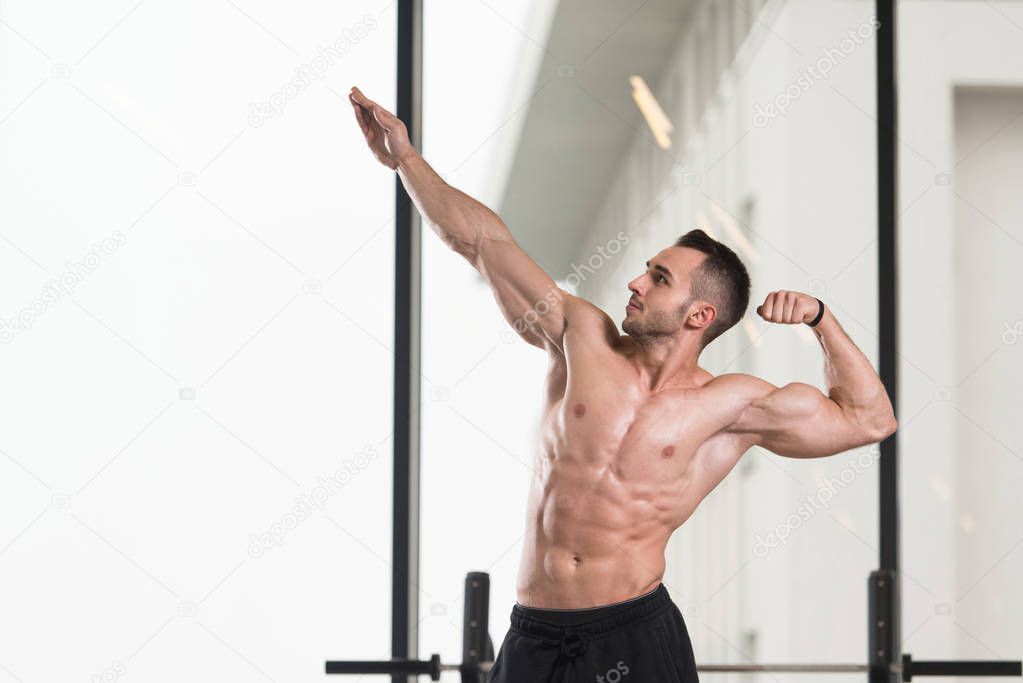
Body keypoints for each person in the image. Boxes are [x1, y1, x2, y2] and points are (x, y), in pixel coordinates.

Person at [348, 86, 897, 683]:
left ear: (698, 316)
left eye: (659, 278)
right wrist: (406, 160)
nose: (635, 281)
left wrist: (822, 320)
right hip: (533, 631)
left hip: (632, 634)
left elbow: (869, 420)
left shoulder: (731, 404)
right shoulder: (582, 337)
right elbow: (483, 244)